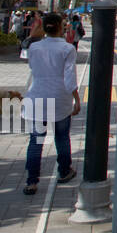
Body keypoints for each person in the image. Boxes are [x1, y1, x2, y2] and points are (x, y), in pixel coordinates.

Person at [22, 13, 81, 195]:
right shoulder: (67, 48)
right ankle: (64, 171)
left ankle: (32, 181)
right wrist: (77, 99)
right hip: (60, 97)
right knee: (61, 137)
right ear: (60, 26)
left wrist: (34, 36)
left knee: (36, 140)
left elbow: (30, 64)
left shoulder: (34, 47)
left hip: (37, 95)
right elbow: (69, 77)